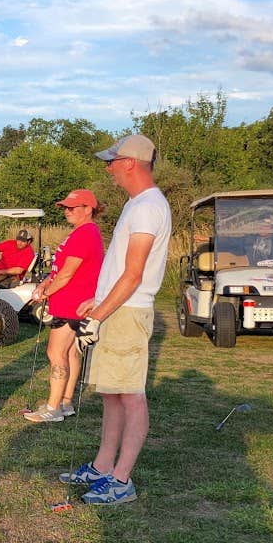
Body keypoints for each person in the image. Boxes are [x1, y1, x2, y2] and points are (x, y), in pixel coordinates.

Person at [66, 134, 172, 505]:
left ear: (130, 163)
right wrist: (98, 299)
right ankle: (101, 467)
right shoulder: (137, 205)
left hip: (127, 313)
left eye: (112, 161)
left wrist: (99, 315)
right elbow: (119, 271)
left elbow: (135, 274)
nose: (108, 168)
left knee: (131, 397)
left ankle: (121, 479)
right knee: (112, 394)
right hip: (117, 309)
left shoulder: (147, 208)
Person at [24, 189, 105, 423]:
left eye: (72, 207)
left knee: (55, 352)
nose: (67, 211)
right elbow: (60, 269)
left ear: (88, 208)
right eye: (65, 208)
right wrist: (45, 284)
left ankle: (52, 408)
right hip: (70, 303)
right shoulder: (80, 233)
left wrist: (45, 293)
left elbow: (68, 274)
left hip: (72, 304)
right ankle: (65, 402)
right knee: (70, 352)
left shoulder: (86, 233)